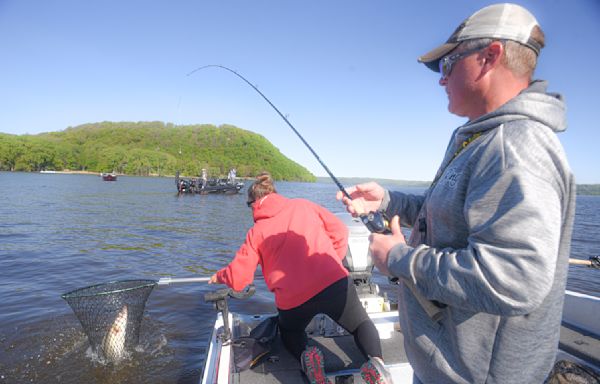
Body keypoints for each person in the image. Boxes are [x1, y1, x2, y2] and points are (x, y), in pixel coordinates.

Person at [337, 4, 575, 384]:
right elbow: (445, 216)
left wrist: (399, 258)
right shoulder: (481, 139)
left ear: (490, 56)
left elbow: (513, 278)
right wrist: (386, 201)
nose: (441, 80)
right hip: (442, 364)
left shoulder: (517, 145)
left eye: (448, 65)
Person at [210, 172, 392, 384]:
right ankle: (377, 364)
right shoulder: (303, 205)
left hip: (294, 300)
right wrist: (334, 259)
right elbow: (340, 231)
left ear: (253, 204)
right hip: (334, 282)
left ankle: (309, 358)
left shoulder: (257, 232)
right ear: (274, 193)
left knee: (290, 331)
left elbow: (239, 279)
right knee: (361, 323)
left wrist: (219, 276)